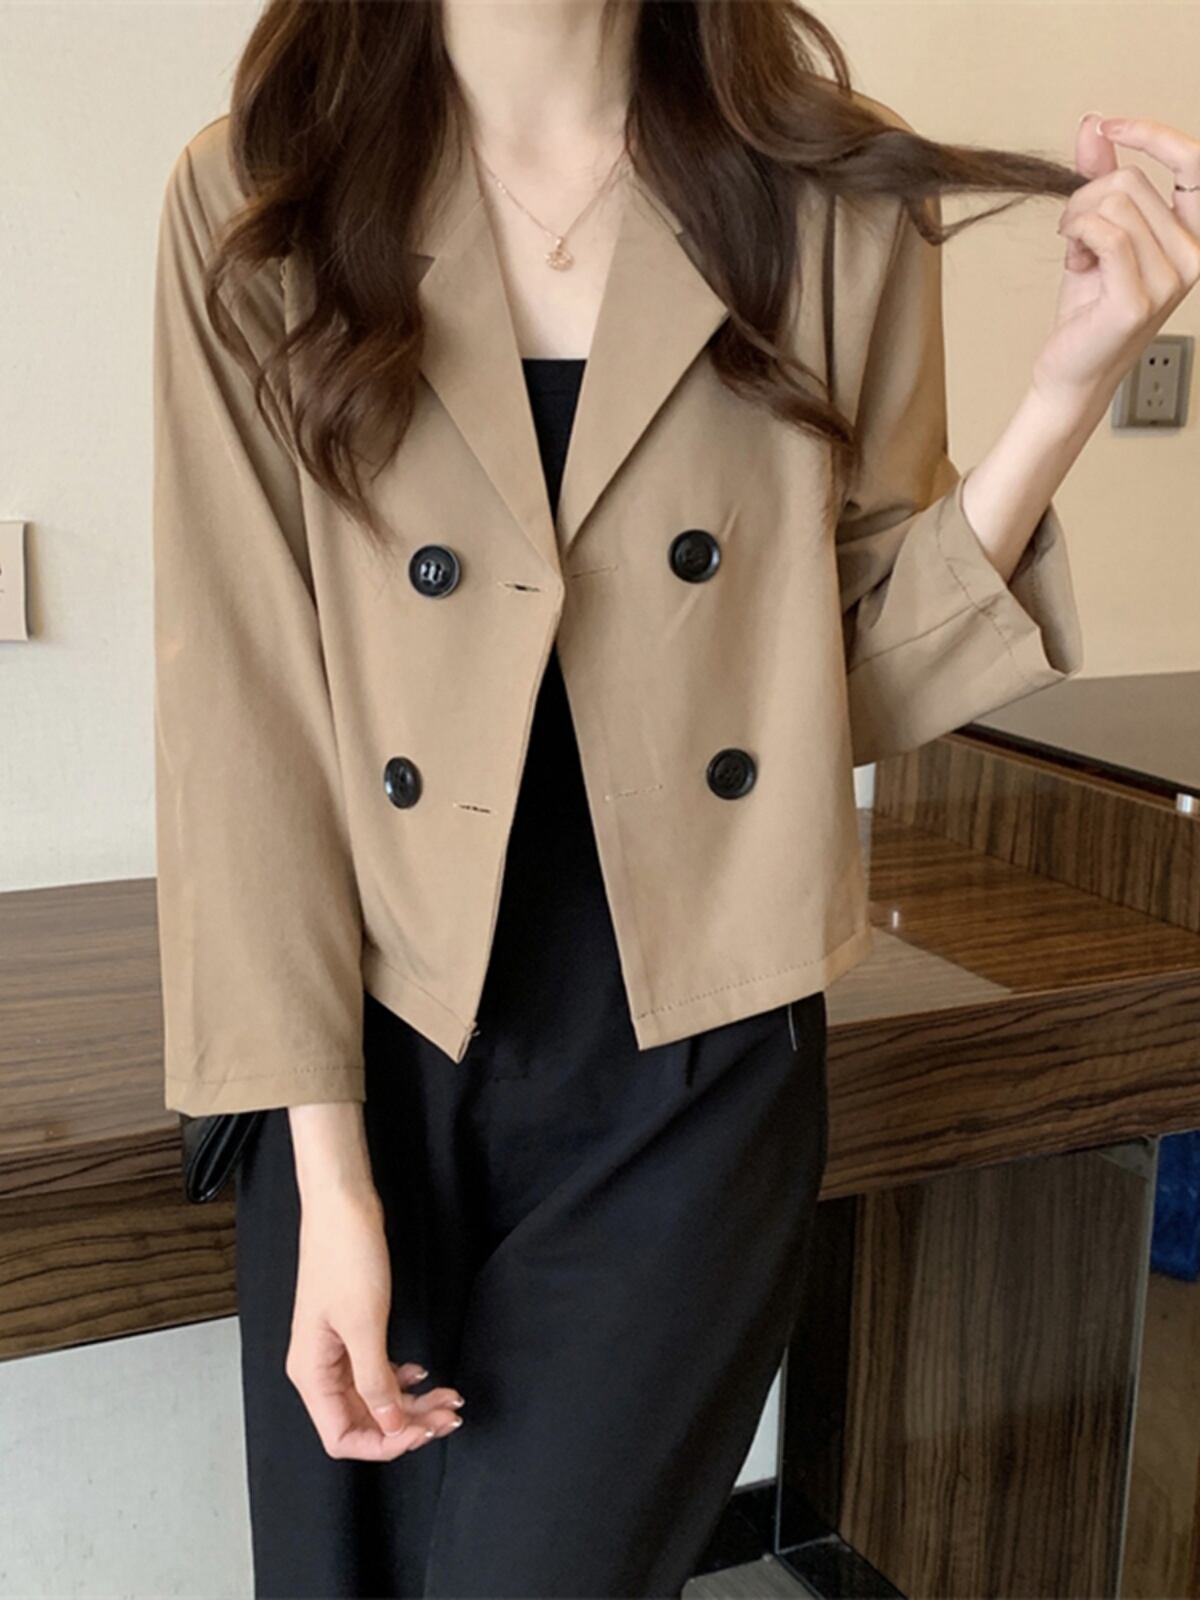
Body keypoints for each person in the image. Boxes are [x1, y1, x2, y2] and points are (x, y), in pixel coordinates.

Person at [151, 1, 1200, 1594]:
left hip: (693, 1063)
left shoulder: (828, 195)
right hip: (377, 1049)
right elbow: (248, 718)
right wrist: (329, 1176)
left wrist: (1068, 390)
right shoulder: (262, 195)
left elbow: (833, 687)